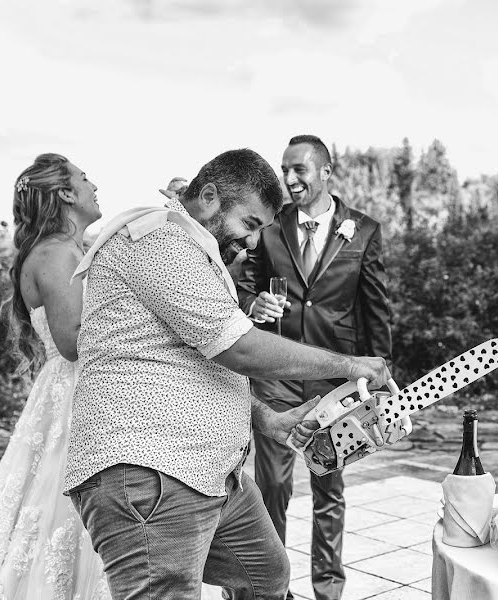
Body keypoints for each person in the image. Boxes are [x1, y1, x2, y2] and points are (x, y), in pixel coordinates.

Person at [64, 148, 392, 599]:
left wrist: (269, 420)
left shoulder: (193, 247)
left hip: (211, 473)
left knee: (265, 576)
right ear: (211, 197)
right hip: (150, 471)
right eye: (250, 225)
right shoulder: (159, 242)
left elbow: (201, 359)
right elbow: (238, 348)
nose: (254, 243)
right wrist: (349, 365)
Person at [237, 135, 396, 600]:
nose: (289, 179)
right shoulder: (268, 227)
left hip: (338, 380)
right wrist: (253, 301)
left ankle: (328, 589)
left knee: (329, 488)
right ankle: (268, 588)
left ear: (326, 172)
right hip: (276, 374)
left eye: (299, 170)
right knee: (273, 489)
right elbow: (240, 287)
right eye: (285, 169)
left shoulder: (363, 231)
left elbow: (375, 309)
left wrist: (381, 372)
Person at [0, 154, 111, 598]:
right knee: (70, 522)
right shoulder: (58, 253)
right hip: (77, 398)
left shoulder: (68, 248)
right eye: (84, 178)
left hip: (66, 392)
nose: (93, 184)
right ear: (65, 194)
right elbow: (73, 342)